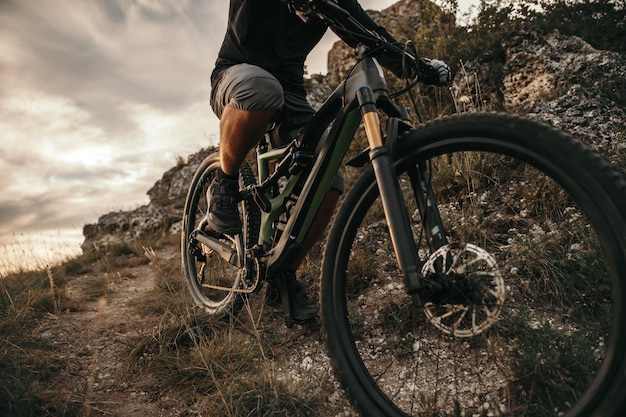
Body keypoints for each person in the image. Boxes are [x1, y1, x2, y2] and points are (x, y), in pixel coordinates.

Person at [205, 0, 451, 324]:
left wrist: (417, 66)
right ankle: (223, 183)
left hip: (291, 94)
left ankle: (283, 274)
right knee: (262, 89)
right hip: (236, 74)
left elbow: (369, 32)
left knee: (328, 179)